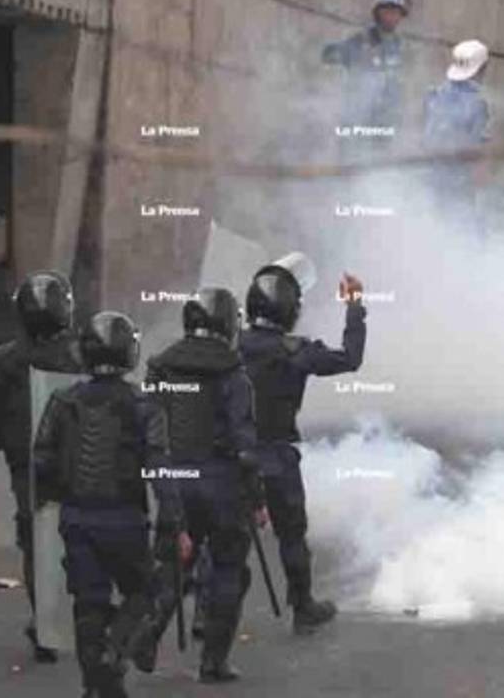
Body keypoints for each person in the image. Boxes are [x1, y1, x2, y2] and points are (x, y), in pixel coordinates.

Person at [32, 311, 188, 698]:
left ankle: (96, 686)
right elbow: (159, 466)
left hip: (76, 518)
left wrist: (49, 499)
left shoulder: (61, 400)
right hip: (124, 520)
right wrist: (174, 523)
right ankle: (113, 654)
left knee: (88, 603)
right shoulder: (144, 406)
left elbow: (42, 459)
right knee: (146, 592)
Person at [135, 290, 268, 683]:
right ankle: (214, 662)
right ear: (228, 324)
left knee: (175, 563)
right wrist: (257, 499)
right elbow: (245, 447)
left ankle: (146, 635)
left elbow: (148, 429)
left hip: (176, 482)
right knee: (229, 571)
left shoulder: (160, 367)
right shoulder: (234, 375)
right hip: (223, 486)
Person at [238, 255, 366, 634]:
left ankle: (204, 615)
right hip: (276, 456)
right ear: (290, 310)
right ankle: (302, 605)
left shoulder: (232, 342)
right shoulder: (296, 350)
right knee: (291, 533)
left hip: (234, 454)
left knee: (227, 539)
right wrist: (355, 309)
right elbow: (350, 359)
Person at [0, 270, 83, 663]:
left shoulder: (4, 361)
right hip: (80, 463)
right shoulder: (81, 356)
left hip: (28, 469)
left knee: (36, 542)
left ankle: (45, 623)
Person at [322, 0, 409, 131]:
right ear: (379, 13)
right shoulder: (361, 40)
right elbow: (328, 55)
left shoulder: (398, 44)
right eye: (389, 11)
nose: (394, 17)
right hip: (357, 121)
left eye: (397, 13)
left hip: (386, 121)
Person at [423, 39, 492, 213]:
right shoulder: (477, 103)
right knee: (461, 222)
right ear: (482, 68)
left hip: (431, 171)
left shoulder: (435, 94)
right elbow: (478, 145)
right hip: (459, 176)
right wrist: (481, 174)